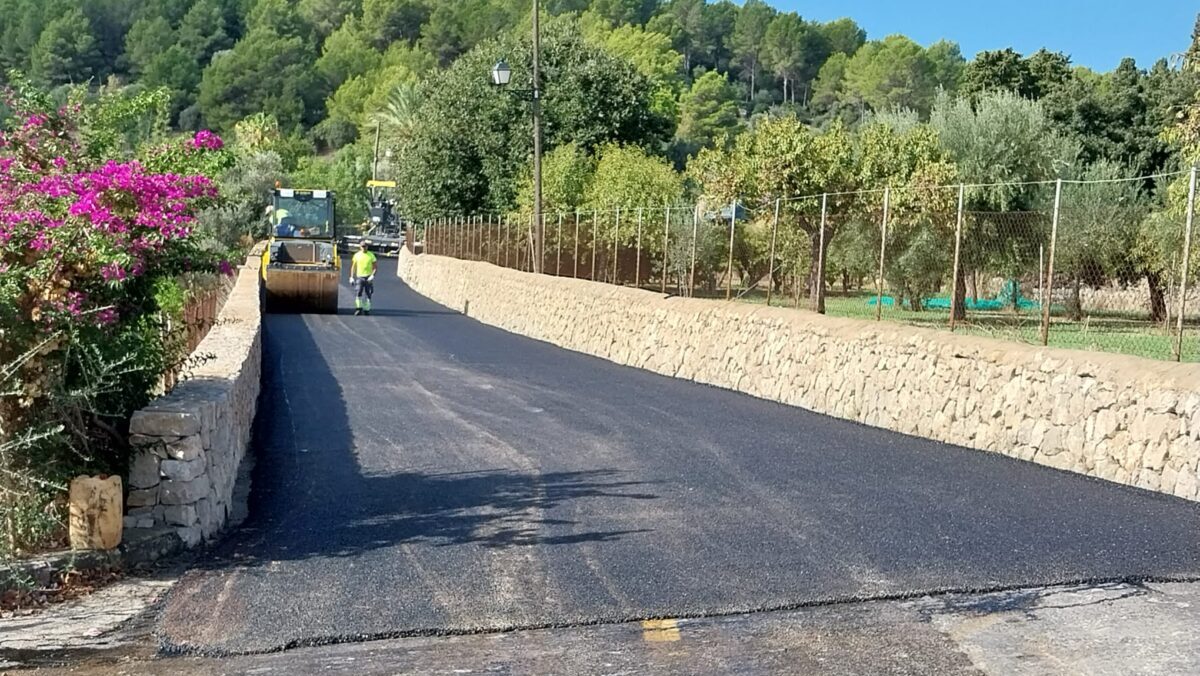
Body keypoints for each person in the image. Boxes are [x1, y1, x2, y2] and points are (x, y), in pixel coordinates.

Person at [350, 240, 378, 316]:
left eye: (365, 246)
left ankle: (367, 309)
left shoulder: (371, 255)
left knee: (368, 293)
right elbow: (353, 267)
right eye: (362, 246)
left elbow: (375, 267)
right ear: (360, 247)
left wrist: (372, 275)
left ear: (367, 247)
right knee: (358, 292)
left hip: (368, 277)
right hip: (359, 277)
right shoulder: (356, 255)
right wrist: (351, 277)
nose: (363, 248)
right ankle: (358, 308)